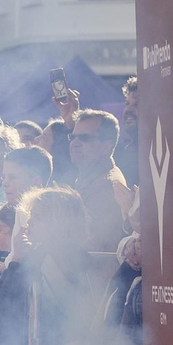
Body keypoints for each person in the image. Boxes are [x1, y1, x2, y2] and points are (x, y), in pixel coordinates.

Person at [64, 107, 129, 252]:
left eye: (84, 138)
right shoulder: (89, 175)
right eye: (72, 137)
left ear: (106, 146)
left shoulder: (107, 185)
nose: (75, 143)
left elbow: (94, 245)